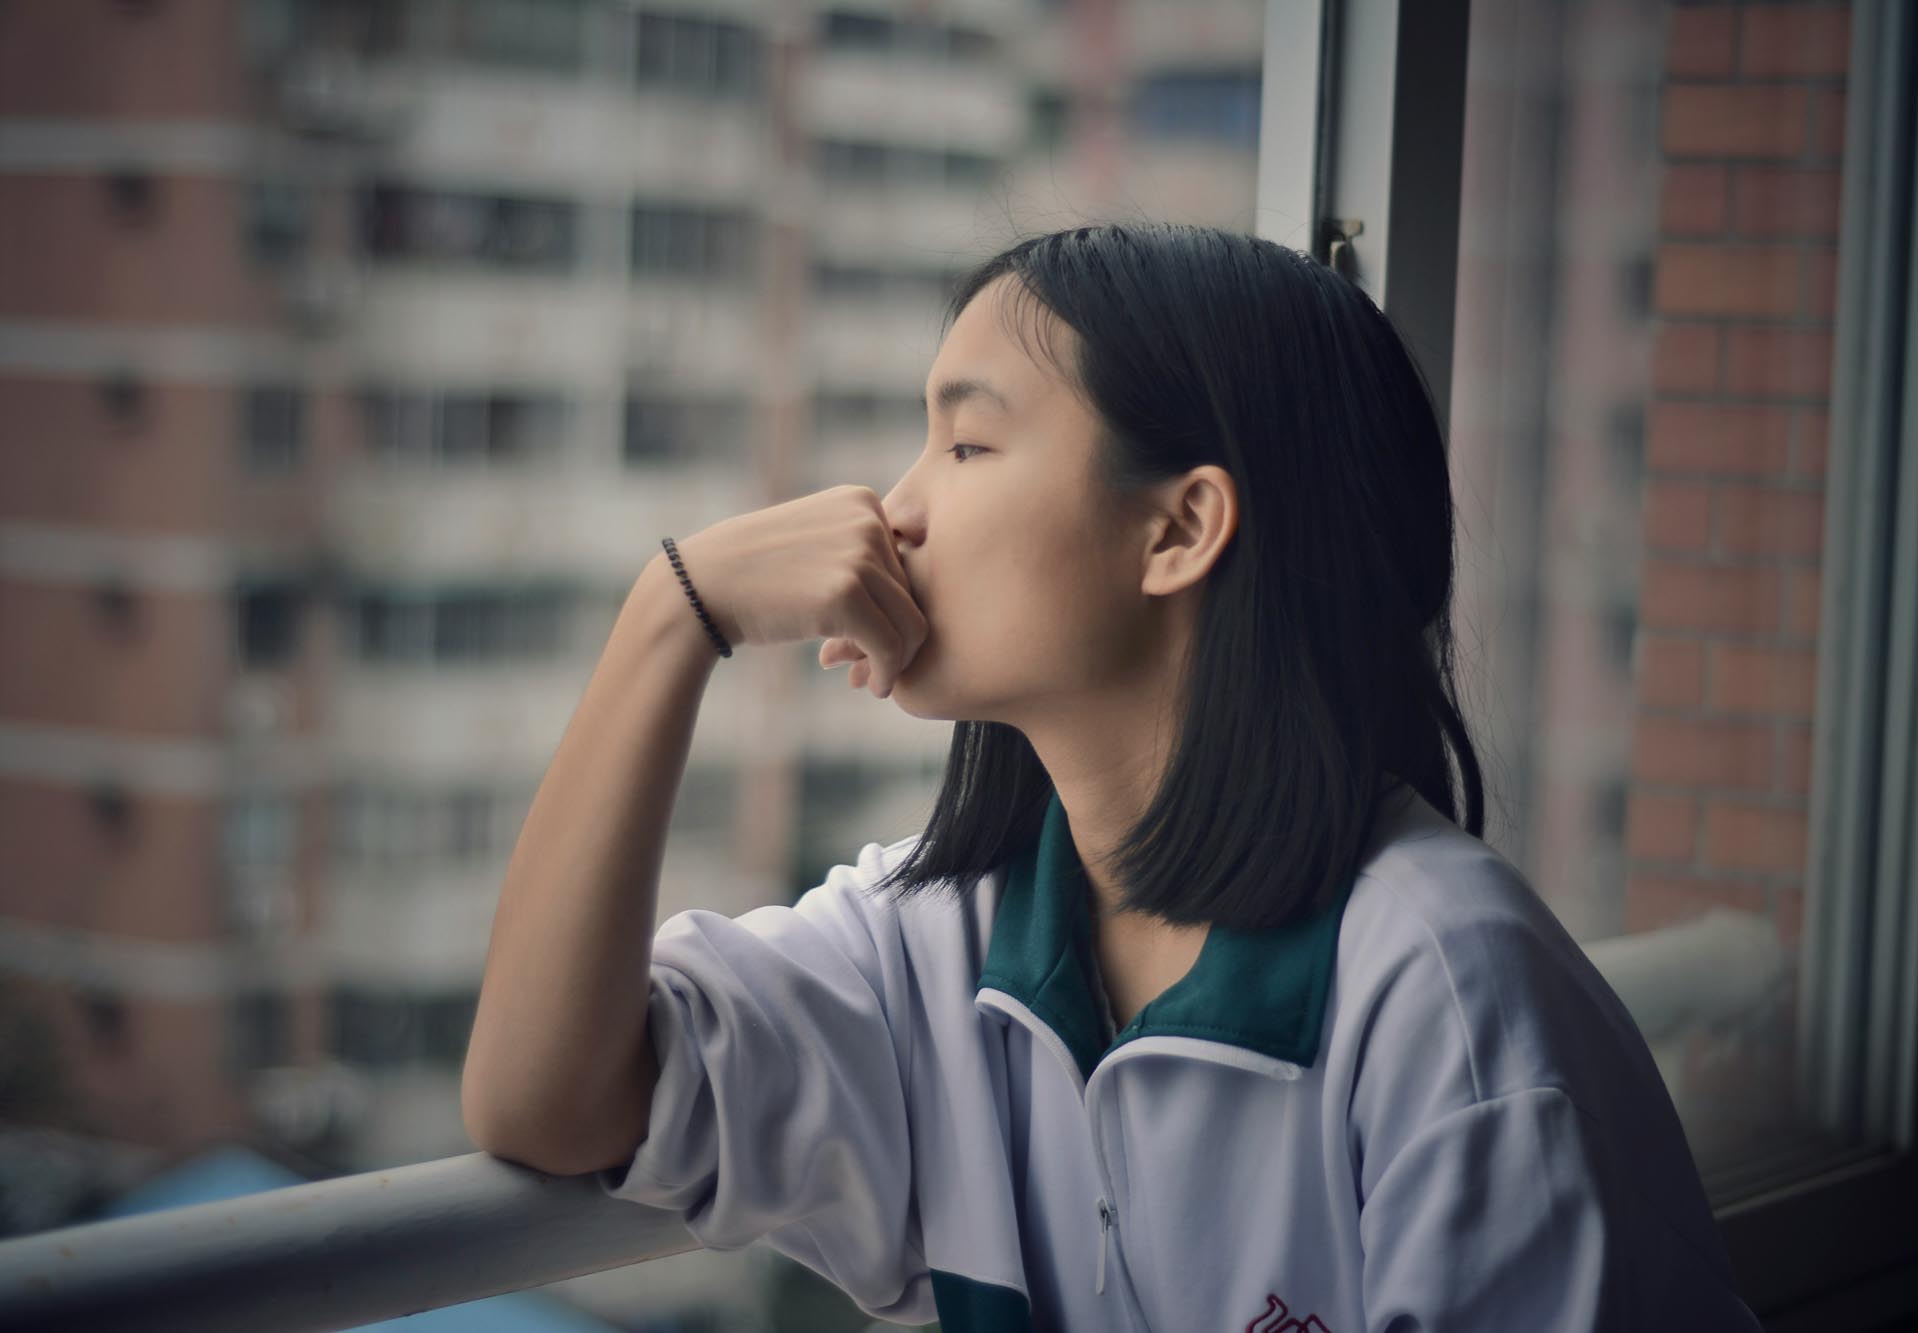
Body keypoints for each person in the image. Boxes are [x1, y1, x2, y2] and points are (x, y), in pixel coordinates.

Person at [462, 222, 1766, 1331]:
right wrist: (671, 612)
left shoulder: (1446, 995)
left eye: (966, 447)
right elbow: (549, 1098)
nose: (891, 511)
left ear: (1181, 527)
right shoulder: (937, 947)